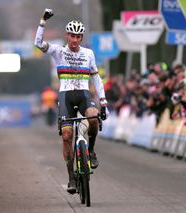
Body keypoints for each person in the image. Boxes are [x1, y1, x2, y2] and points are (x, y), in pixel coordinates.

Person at [34, 8, 108, 194]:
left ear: (81, 38)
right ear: (67, 36)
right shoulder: (58, 51)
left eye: (78, 36)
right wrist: (43, 21)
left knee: (93, 118)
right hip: (66, 96)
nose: (75, 40)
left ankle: (90, 151)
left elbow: (96, 79)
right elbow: (38, 43)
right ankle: (71, 177)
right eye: (72, 36)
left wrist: (103, 101)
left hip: (84, 95)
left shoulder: (88, 54)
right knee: (67, 136)